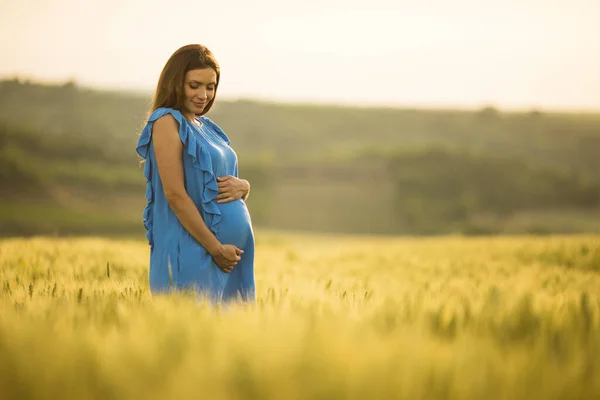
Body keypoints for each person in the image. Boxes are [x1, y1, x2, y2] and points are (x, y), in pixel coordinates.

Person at [136, 44, 255, 303]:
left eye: (210, 87)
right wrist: (215, 248)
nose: (204, 95)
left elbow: (222, 180)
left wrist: (245, 186)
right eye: (195, 85)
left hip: (227, 258)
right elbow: (175, 194)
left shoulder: (207, 126)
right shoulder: (167, 121)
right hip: (195, 253)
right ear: (175, 83)